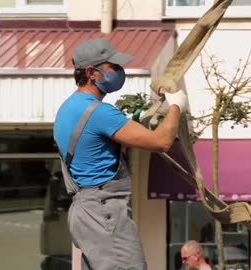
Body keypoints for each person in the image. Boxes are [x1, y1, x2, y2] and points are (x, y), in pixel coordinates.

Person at [53, 38, 188, 270]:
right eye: (113, 67)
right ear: (91, 72)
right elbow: (162, 141)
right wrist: (176, 106)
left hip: (85, 212)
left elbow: (92, 148)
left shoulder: (68, 108)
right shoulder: (100, 113)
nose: (119, 71)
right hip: (104, 212)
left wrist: (132, 124)